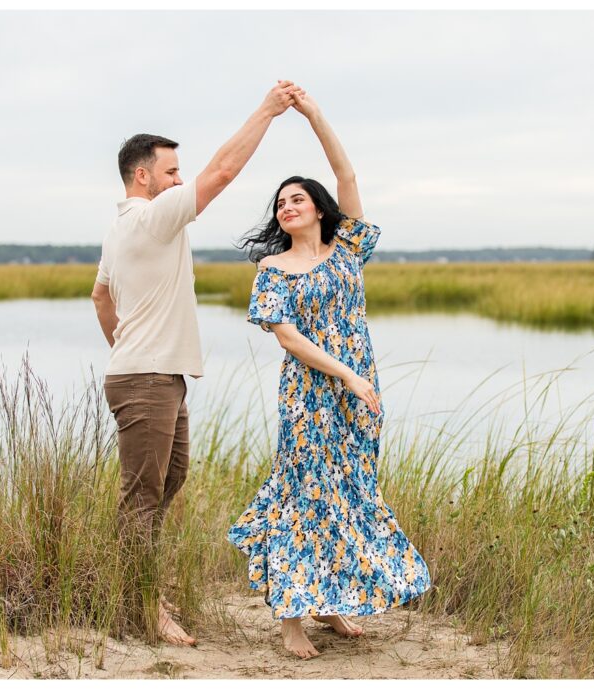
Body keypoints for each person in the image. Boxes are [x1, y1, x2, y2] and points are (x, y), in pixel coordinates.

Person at [92, 81, 303, 647]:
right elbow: (223, 172)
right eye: (171, 172)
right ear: (144, 177)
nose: (179, 181)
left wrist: (123, 347)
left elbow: (100, 297)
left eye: (179, 172)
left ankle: (137, 585)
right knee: (141, 496)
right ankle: (139, 605)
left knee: (170, 477)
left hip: (153, 372)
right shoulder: (149, 219)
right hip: (146, 377)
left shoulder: (120, 228)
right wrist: (267, 110)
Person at [226, 91, 432, 659]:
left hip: (359, 392)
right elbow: (288, 338)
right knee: (301, 495)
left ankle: (333, 601)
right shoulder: (273, 268)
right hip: (312, 396)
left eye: (297, 199)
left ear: (318, 207)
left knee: (348, 494)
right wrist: (346, 374)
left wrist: (314, 116)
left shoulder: (347, 250)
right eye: (279, 203)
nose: (286, 206)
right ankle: (291, 618)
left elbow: (345, 170)